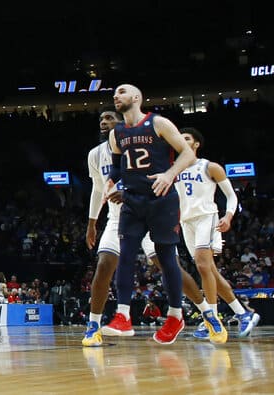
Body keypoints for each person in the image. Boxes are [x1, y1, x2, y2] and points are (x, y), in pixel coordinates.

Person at [102, 84, 197, 345]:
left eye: (121, 92)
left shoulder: (158, 123)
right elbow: (119, 169)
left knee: (167, 259)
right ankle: (122, 316)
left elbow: (187, 153)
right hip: (132, 201)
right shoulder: (117, 133)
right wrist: (111, 185)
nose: (116, 96)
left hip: (162, 200)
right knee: (126, 256)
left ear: (136, 97)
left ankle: (175, 316)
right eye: (114, 94)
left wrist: (169, 174)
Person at [174, 128, 260, 340]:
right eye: (179, 138)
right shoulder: (174, 170)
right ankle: (243, 314)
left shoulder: (209, 167)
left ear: (196, 144)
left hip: (207, 217)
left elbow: (231, 196)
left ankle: (211, 319)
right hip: (186, 222)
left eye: (186, 138)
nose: (181, 141)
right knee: (208, 270)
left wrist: (228, 217)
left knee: (203, 266)